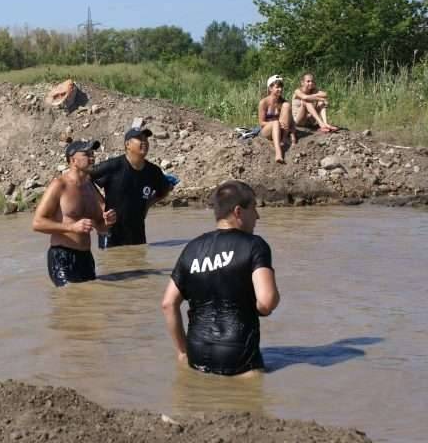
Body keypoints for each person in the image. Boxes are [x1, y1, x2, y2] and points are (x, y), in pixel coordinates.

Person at [161, 180, 280, 376]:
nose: (258, 216)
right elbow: (267, 302)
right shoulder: (254, 245)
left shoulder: (192, 248)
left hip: (197, 351)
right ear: (238, 212)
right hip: (239, 355)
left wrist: (183, 351)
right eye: (254, 208)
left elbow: (168, 304)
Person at [32, 139, 116, 286]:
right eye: (86, 154)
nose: (92, 157)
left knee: (88, 302)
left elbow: (100, 226)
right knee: (69, 299)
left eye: (92, 153)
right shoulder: (59, 185)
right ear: (73, 160)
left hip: (86, 257)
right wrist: (71, 228)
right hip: (61, 255)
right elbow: (37, 223)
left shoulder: (90, 186)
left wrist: (108, 222)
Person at [90, 127, 174, 248]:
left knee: (139, 262)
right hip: (111, 232)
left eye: (146, 139)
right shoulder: (113, 166)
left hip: (137, 234)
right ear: (127, 144)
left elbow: (165, 189)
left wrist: (147, 205)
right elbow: (85, 179)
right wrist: (101, 204)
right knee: (110, 263)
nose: (144, 142)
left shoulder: (153, 171)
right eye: (139, 139)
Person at [258, 75, 295, 164]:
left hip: (281, 130)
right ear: (270, 88)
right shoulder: (264, 102)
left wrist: (293, 135)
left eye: (281, 87)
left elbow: (292, 121)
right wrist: (276, 123)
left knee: (287, 105)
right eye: (277, 87)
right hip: (267, 129)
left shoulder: (283, 102)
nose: (280, 89)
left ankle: (284, 139)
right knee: (275, 123)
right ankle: (278, 152)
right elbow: (261, 122)